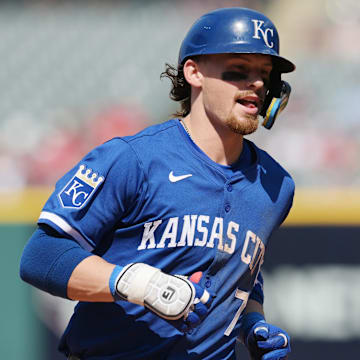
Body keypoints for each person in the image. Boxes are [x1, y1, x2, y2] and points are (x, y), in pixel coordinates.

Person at [20, 7, 295, 360]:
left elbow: (241, 271)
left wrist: (252, 324)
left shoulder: (275, 184)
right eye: (239, 70)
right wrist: (141, 284)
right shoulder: (132, 159)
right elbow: (42, 256)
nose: (255, 83)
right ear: (194, 72)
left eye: (265, 75)